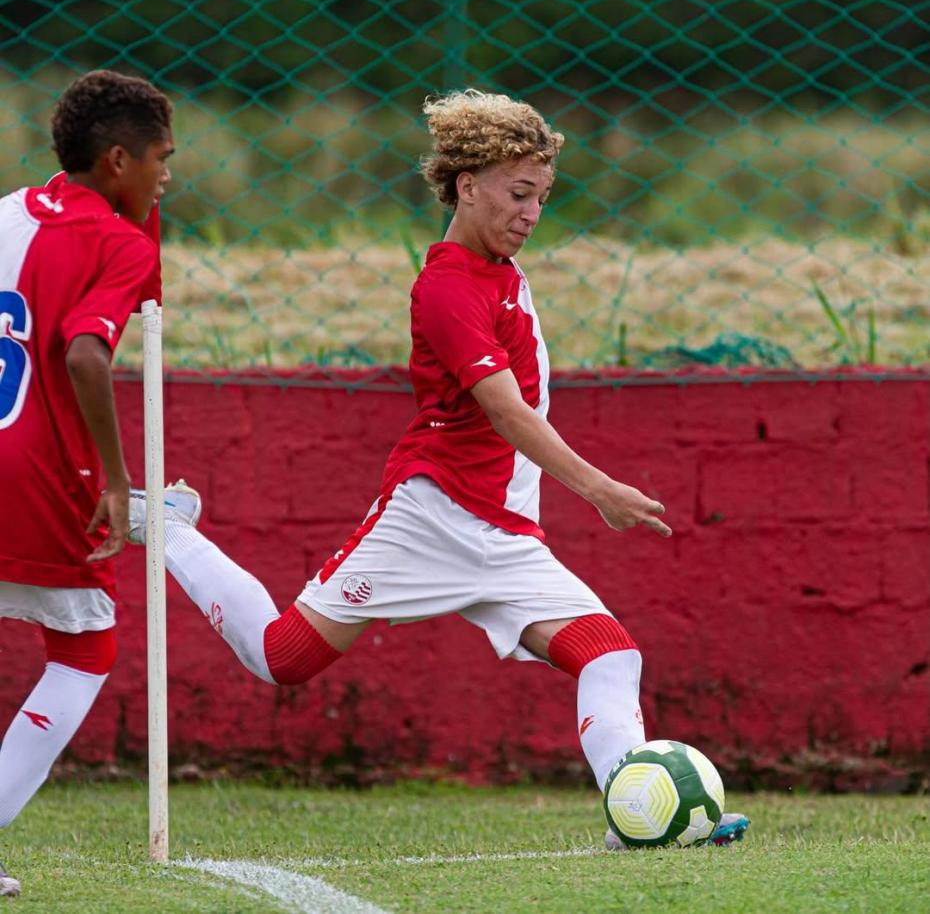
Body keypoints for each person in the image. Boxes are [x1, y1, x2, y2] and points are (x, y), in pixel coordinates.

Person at [130, 88, 748, 849]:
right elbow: (507, 411)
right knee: (281, 658)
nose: (532, 213)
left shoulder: (504, 270)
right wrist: (599, 490)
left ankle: (638, 820)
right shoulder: (448, 286)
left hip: (505, 534)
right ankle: (169, 528)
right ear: (466, 186)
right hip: (433, 515)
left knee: (612, 655)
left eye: (543, 197)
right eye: (519, 194)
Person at [0, 69, 173, 896]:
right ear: (116, 161)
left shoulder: (4, 213)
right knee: (84, 650)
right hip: (34, 474)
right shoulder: (119, 242)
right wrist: (117, 478)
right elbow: (83, 352)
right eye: (161, 161)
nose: (166, 178)